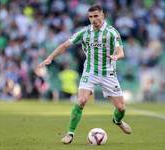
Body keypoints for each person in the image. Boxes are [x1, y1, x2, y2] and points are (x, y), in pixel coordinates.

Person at [38, 5, 132, 144]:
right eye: (90, 17)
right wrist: (50, 58)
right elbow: (64, 45)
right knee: (81, 100)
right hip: (90, 71)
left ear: (102, 16)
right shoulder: (84, 32)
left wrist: (116, 57)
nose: (93, 19)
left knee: (121, 108)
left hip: (108, 73)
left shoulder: (112, 32)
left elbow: (121, 52)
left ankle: (117, 121)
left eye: (95, 16)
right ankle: (70, 134)